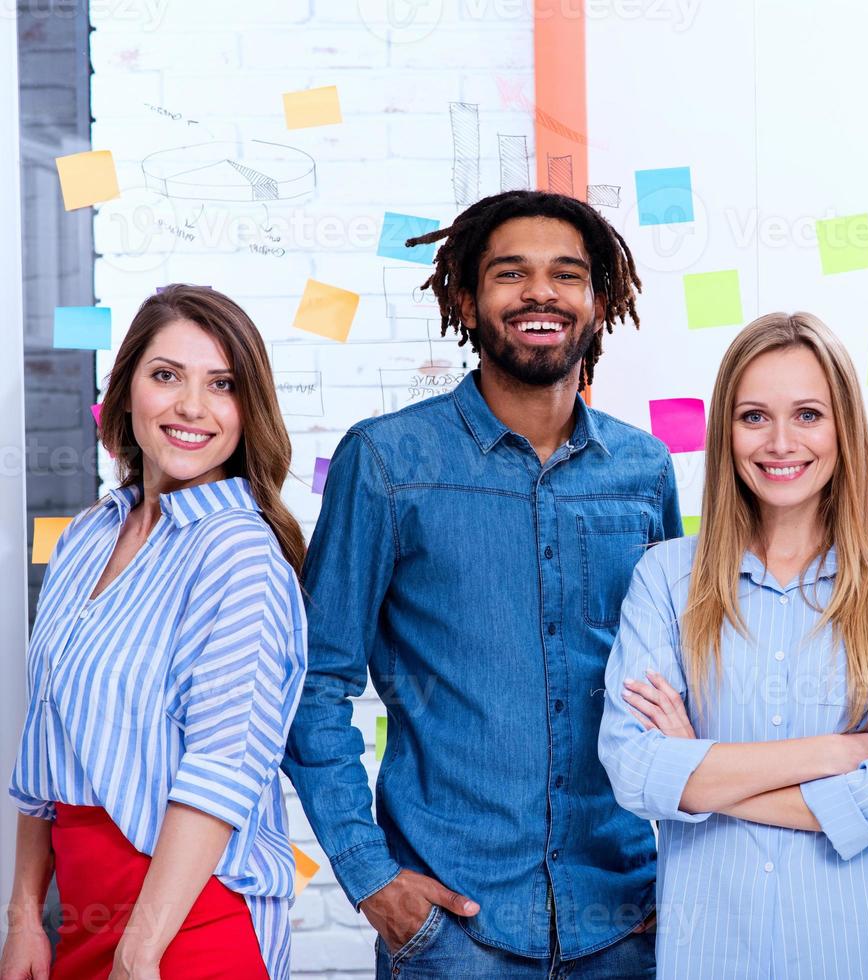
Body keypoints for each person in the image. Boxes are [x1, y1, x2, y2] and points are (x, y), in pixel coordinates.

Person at [283, 190, 680, 979]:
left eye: (567, 275)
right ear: (465, 298)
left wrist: (696, 870)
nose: (540, 293)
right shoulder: (390, 462)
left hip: (630, 923)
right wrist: (370, 879)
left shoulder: (643, 470)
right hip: (453, 934)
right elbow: (316, 682)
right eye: (510, 274)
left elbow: (685, 682)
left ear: (598, 302)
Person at [599, 312, 868, 980]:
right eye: (754, 416)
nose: (780, 442)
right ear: (725, 433)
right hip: (711, 958)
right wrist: (833, 755)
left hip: (864, 957)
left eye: (808, 415)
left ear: (842, 429)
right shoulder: (666, 580)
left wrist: (699, 778)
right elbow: (632, 770)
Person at [3, 285, 307, 979]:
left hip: (190, 923)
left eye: (221, 384)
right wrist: (24, 913)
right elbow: (44, 741)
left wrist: (141, 954)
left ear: (246, 408)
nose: (191, 407)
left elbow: (221, 772)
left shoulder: (240, 553)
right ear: (127, 388)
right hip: (81, 912)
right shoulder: (87, 535)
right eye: (166, 375)